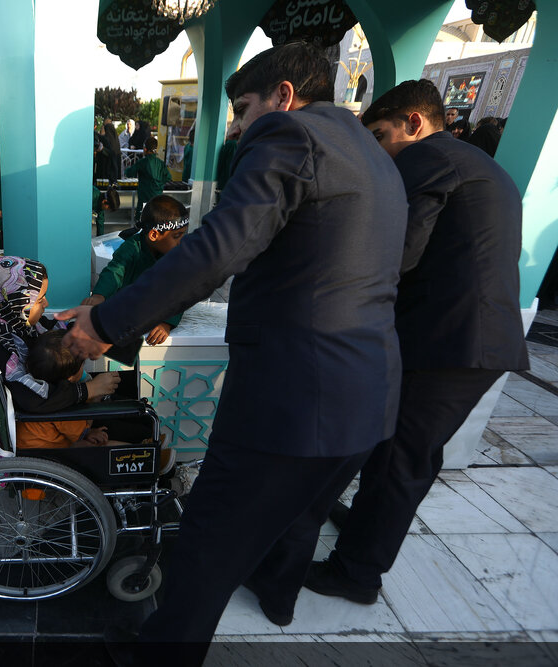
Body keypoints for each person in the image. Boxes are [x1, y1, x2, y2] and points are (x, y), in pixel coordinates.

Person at [59, 42, 407, 663]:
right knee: (299, 513)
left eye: (243, 108)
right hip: (368, 394)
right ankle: (276, 595)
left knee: (209, 535)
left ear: (283, 96)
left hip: (293, 397)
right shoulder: (373, 154)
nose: (239, 127)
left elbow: (220, 246)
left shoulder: (290, 134)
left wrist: (108, 321)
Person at [305, 79, 529, 605]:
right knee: (397, 451)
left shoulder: (427, 159)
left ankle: (356, 574)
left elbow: (398, 252)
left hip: (452, 341)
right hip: (465, 336)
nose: (377, 151)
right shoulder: (471, 160)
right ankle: (367, 527)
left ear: (413, 123)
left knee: (401, 458)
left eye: (379, 136)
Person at [0, 256, 120, 414]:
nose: (46, 304)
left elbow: (63, 335)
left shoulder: (28, 327)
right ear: (16, 304)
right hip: (48, 423)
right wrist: (88, 389)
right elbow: (31, 400)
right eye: (40, 299)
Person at [84, 195, 187, 345]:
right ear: (154, 235)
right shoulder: (132, 248)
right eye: (177, 236)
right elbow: (114, 271)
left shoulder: (176, 257)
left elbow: (180, 290)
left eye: (184, 234)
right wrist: (100, 295)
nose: (182, 242)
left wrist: (167, 323)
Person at [15, 331, 112, 449]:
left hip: (28, 443)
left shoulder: (41, 391)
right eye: (82, 365)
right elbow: (81, 432)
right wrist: (94, 398)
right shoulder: (62, 403)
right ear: (70, 377)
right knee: (97, 445)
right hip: (44, 451)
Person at [124, 137, 171, 225]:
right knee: (155, 223)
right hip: (157, 200)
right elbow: (168, 177)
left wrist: (127, 169)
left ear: (145, 149)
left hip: (144, 200)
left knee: (142, 223)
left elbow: (129, 173)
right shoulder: (161, 163)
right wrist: (159, 185)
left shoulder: (142, 162)